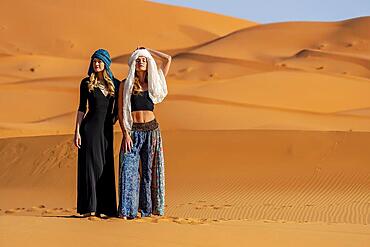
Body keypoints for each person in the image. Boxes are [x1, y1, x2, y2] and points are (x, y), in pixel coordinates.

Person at [117, 47, 171, 219]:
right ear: (133, 62)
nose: (141, 61)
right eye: (138, 59)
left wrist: (148, 51)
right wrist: (125, 133)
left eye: (144, 59)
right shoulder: (125, 84)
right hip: (132, 133)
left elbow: (168, 59)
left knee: (149, 172)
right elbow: (120, 111)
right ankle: (127, 211)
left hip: (152, 132)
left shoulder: (154, 83)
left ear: (149, 63)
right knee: (128, 171)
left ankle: (147, 210)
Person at [74, 49, 120, 218]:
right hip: (89, 130)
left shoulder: (115, 84)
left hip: (106, 132)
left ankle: (105, 209)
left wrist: (113, 121)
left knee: (105, 166)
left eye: (100, 61)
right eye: (94, 61)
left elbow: (118, 111)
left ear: (106, 63)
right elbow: (81, 108)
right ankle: (88, 208)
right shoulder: (86, 83)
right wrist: (77, 131)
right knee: (90, 168)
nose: (97, 64)